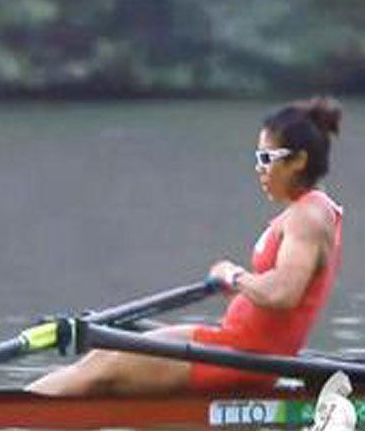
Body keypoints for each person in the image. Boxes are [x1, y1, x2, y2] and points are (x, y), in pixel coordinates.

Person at [27, 96, 343, 395]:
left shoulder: (308, 217)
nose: (259, 169)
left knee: (101, 368)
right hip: (232, 346)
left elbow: (283, 294)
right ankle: (27, 408)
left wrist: (235, 277)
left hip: (241, 358)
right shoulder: (308, 212)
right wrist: (242, 286)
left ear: (299, 160)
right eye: (256, 158)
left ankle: (13, 414)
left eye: (266, 158)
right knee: (101, 362)